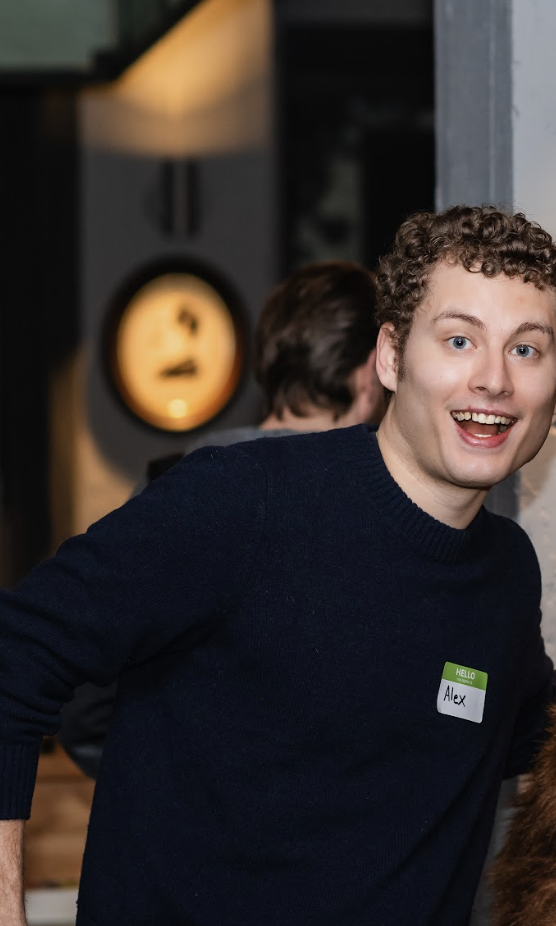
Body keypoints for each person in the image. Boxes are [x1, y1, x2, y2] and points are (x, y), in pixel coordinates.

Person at [0, 205, 556, 926]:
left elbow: (525, 728)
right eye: (459, 340)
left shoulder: (505, 573)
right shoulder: (244, 500)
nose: (492, 379)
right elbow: (18, 653)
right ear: (389, 357)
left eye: (526, 349)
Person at [60, 260, 386, 779]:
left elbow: (83, 697)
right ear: (370, 372)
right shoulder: (375, 511)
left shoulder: (170, 481)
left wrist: (165, 788)